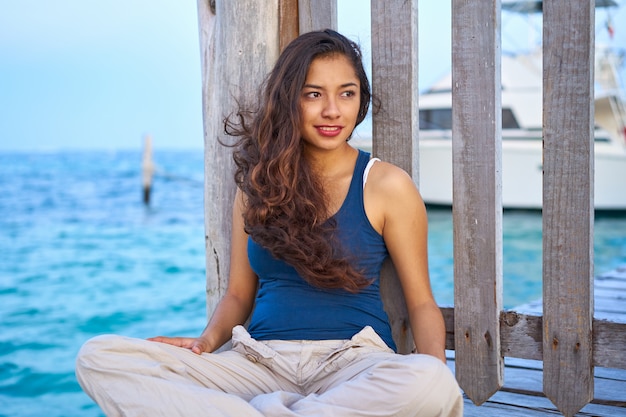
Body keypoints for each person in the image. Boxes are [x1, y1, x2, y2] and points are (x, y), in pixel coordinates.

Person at [75, 29, 463, 417]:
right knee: (98, 357)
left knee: (430, 382)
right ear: (289, 100)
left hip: (352, 365)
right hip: (258, 364)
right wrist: (207, 342)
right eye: (314, 94)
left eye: (347, 93)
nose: (333, 110)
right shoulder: (257, 186)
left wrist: (435, 380)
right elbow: (239, 295)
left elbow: (422, 303)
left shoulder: (385, 184)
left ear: (360, 100)